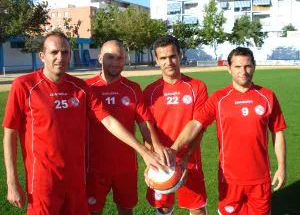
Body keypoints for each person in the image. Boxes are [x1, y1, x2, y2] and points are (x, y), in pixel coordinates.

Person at [3, 31, 166, 215]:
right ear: (42, 56)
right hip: (43, 181)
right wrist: (12, 182)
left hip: (77, 180)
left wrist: (144, 150)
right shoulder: (24, 85)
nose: (60, 57)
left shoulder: (80, 88)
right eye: (54, 52)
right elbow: (10, 134)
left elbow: (109, 121)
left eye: (65, 52)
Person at [172, 47, 287, 215]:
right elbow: (196, 124)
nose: (243, 71)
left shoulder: (267, 96)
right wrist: (174, 148)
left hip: (260, 179)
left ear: (254, 66)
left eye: (247, 66)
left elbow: (278, 132)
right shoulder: (219, 98)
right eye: (238, 67)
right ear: (229, 68)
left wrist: (282, 167)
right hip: (229, 179)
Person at [85, 40, 174, 215]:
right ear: (100, 57)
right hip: (93, 167)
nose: (115, 62)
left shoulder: (132, 89)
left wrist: (157, 147)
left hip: (125, 167)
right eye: (110, 57)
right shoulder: (87, 88)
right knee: (93, 211)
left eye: (120, 58)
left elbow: (144, 123)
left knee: (126, 210)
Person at [143, 35, 208, 215]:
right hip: (161, 162)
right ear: (156, 60)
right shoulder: (150, 92)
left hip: (190, 160)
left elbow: (200, 127)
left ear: (180, 55)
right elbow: (148, 131)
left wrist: (186, 157)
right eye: (163, 58)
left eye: (172, 56)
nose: (169, 62)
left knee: (197, 207)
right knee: (163, 207)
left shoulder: (197, 87)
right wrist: (149, 160)